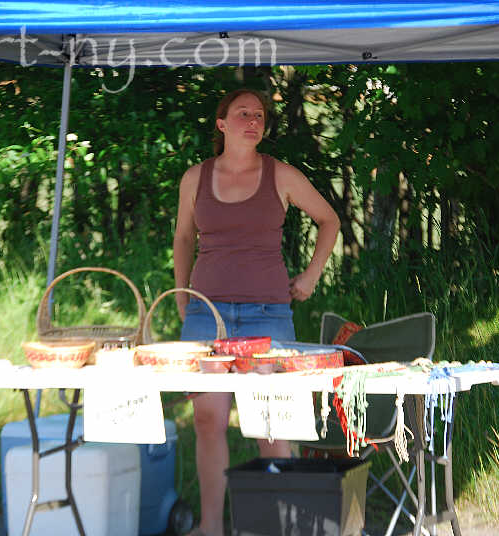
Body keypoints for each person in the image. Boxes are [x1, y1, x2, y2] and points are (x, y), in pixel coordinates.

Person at [172, 88, 340, 536]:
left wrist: (310, 277)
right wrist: (180, 289)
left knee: (270, 421)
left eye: (260, 115)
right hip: (207, 316)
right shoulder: (196, 177)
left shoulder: (281, 175)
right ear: (221, 123)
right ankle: (211, 526)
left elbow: (330, 220)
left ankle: (278, 528)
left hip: (268, 314)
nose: (253, 120)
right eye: (242, 113)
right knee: (207, 418)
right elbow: (184, 238)